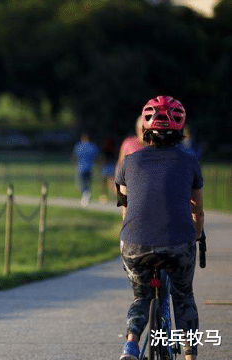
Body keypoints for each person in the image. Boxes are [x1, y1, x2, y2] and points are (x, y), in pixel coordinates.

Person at [116, 96, 204, 360]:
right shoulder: (190, 161)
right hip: (178, 242)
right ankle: (190, 356)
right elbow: (197, 210)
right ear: (181, 130)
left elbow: (125, 207)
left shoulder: (129, 162)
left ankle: (131, 344)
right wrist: (196, 235)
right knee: (183, 297)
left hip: (135, 242)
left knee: (141, 297)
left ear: (144, 128)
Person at [72, 132, 99, 207]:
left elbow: (75, 156)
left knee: (82, 184)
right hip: (90, 168)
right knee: (88, 183)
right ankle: (87, 195)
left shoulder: (79, 146)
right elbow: (97, 157)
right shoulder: (93, 146)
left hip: (81, 167)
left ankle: (85, 195)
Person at [99, 136, 117, 203]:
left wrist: (100, 166)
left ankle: (104, 197)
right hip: (111, 166)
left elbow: (102, 159)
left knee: (104, 183)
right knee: (111, 183)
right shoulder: (113, 149)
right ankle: (113, 196)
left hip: (105, 166)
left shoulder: (104, 149)